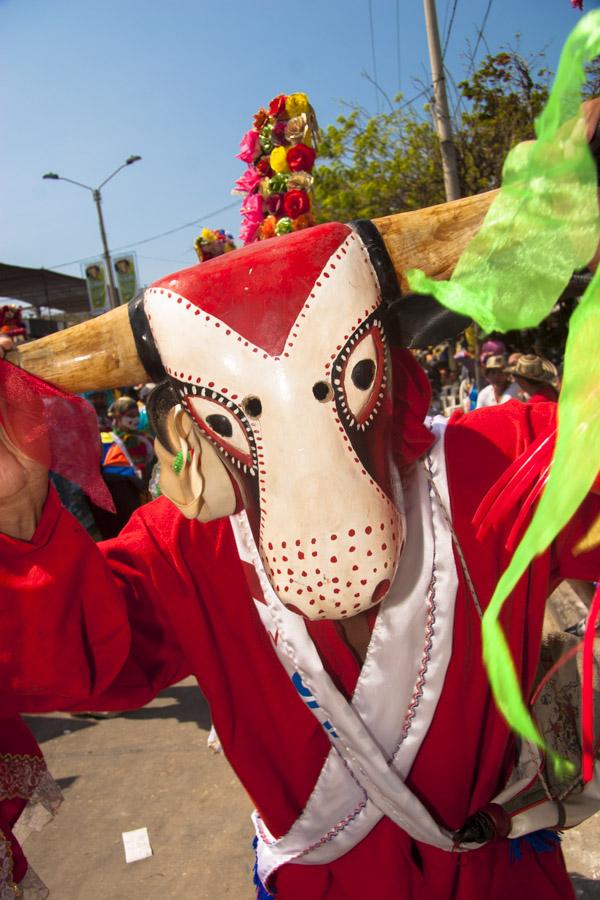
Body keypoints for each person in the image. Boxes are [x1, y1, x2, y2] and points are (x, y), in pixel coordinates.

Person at [0, 217, 599, 900]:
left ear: (392, 367)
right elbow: (84, 664)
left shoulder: (487, 466)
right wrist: (21, 514)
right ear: (193, 425)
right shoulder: (186, 543)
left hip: (498, 877)